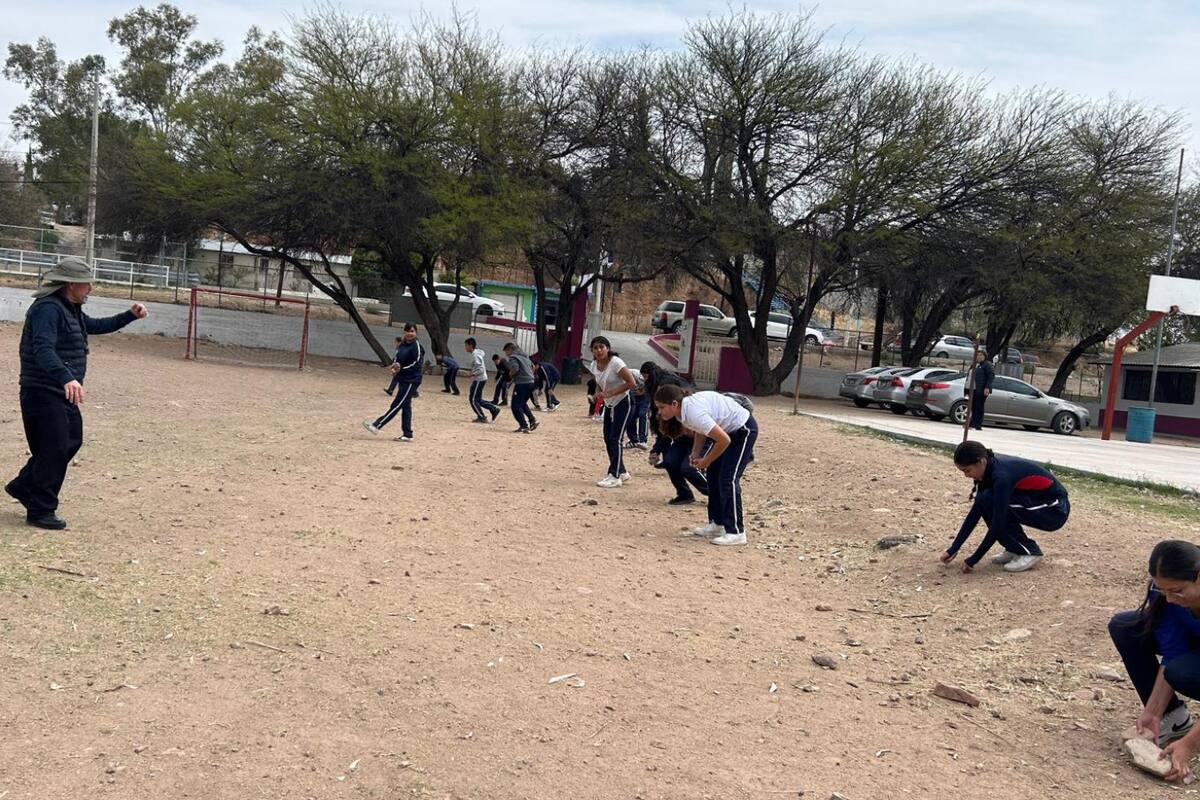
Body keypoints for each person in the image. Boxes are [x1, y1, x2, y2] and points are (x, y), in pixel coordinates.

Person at [5, 257, 148, 530]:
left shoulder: (70, 308)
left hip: (60, 392)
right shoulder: (47, 309)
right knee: (54, 447)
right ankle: (41, 510)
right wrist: (66, 377)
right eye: (87, 283)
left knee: (71, 439)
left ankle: (24, 486)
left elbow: (94, 326)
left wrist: (129, 315)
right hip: (42, 391)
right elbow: (42, 348)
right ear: (72, 284)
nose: (91, 288)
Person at [1110, 541, 1200, 781]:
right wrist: (1153, 713)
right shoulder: (1164, 594)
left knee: (1183, 672)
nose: (1170, 599)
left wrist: (1189, 744)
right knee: (1125, 627)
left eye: (1178, 591)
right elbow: (1172, 651)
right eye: (1164, 590)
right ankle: (1175, 718)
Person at [939, 440, 1070, 574]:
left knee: (993, 504)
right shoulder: (987, 472)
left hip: (1055, 509)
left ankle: (1029, 551)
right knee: (985, 500)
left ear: (981, 462)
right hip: (1036, 502)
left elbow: (998, 522)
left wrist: (974, 559)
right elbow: (975, 512)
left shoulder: (1001, 477)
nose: (966, 475)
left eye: (967, 470)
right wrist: (953, 548)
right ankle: (1014, 547)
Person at [653, 385, 757, 546]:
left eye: (661, 407)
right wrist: (696, 452)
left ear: (674, 404)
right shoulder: (684, 411)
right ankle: (717, 523)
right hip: (727, 432)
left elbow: (724, 440)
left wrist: (706, 461)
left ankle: (736, 531)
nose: (659, 412)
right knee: (713, 477)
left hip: (742, 431)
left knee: (728, 479)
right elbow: (701, 429)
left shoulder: (692, 411)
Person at [641, 362, 708, 505]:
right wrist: (656, 450)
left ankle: (715, 493)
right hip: (682, 442)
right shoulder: (665, 413)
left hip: (701, 440)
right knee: (670, 462)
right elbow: (664, 434)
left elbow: (704, 432)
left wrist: (695, 450)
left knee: (688, 468)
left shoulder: (691, 409)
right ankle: (684, 494)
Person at [587, 337, 637, 488]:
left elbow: (631, 383)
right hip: (609, 405)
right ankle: (621, 470)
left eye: (602, 347)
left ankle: (614, 475)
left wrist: (609, 393)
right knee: (608, 438)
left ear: (608, 348)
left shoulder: (616, 363)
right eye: (596, 348)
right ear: (592, 351)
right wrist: (597, 394)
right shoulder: (594, 365)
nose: (599, 350)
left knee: (616, 438)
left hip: (623, 402)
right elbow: (599, 383)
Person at [363, 322, 423, 442]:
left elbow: (416, 363)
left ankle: (377, 425)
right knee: (406, 406)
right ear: (404, 332)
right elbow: (397, 358)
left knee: (397, 404)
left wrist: (401, 369)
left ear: (416, 332)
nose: (410, 334)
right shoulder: (403, 344)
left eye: (412, 331)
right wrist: (395, 367)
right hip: (403, 378)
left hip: (412, 379)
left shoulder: (416, 346)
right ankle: (407, 434)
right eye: (407, 331)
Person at [503, 343, 538, 434]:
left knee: (515, 405)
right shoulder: (525, 356)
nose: (506, 354)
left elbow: (515, 368)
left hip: (522, 383)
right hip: (531, 382)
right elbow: (533, 368)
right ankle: (533, 420)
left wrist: (510, 375)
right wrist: (528, 375)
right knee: (522, 403)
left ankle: (523, 426)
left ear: (510, 350)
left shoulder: (513, 357)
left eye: (506, 352)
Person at [464, 338, 500, 423]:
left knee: (473, 399)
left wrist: (472, 374)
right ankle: (493, 409)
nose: (465, 348)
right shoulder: (476, 353)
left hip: (479, 379)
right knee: (478, 399)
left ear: (470, 346)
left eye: (466, 346)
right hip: (480, 378)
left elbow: (480, 369)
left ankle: (481, 417)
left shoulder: (475, 355)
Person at [968, 349, 994, 431]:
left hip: (981, 389)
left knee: (979, 407)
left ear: (984, 356)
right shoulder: (975, 365)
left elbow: (990, 377)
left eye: (981, 355)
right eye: (977, 355)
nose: (979, 357)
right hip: (973, 389)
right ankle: (971, 423)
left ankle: (977, 424)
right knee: (972, 406)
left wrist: (987, 387)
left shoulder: (987, 365)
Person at [625, 370, 650, 449]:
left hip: (644, 397)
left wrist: (642, 392)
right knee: (631, 416)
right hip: (633, 397)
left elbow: (649, 386)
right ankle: (633, 440)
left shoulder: (638, 375)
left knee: (642, 415)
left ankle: (643, 440)